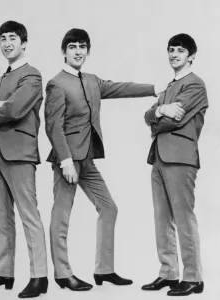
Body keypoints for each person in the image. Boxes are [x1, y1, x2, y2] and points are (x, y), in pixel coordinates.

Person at [44, 28, 160, 292]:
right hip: (68, 161)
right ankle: (63, 274)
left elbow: (121, 88)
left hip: (87, 159)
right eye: (72, 46)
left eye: (82, 46)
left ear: (87, 51)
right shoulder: (56, 83)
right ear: (64, 51)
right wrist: (65, 161)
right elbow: (53, 126)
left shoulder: (92, 80)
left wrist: (154, 89)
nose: (77, 51)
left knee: (109, 208)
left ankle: (104, 270)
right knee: (62, 217)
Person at [0, 20, 48, 299]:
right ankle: (3, 272)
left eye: (13, 38)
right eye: (3, 38)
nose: (7, 43)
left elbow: (14, 110)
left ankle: (40, 277)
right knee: (2, 219)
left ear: (24, 43)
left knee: (30, 216)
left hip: (20, 153)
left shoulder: (32, 76)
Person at [142, 33, 208, 297]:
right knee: (162, 219)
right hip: (158, 157)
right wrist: (159, 110)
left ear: (190, 55)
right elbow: (149, 116)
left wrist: (160, 114)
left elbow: (175, 120)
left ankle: (193, 277)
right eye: (171, 50)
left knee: (183, 218)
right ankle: (168, 273)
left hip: (180, 158)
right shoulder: (169, 87)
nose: (174, 54)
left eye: (180, 50)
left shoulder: (195, 85)